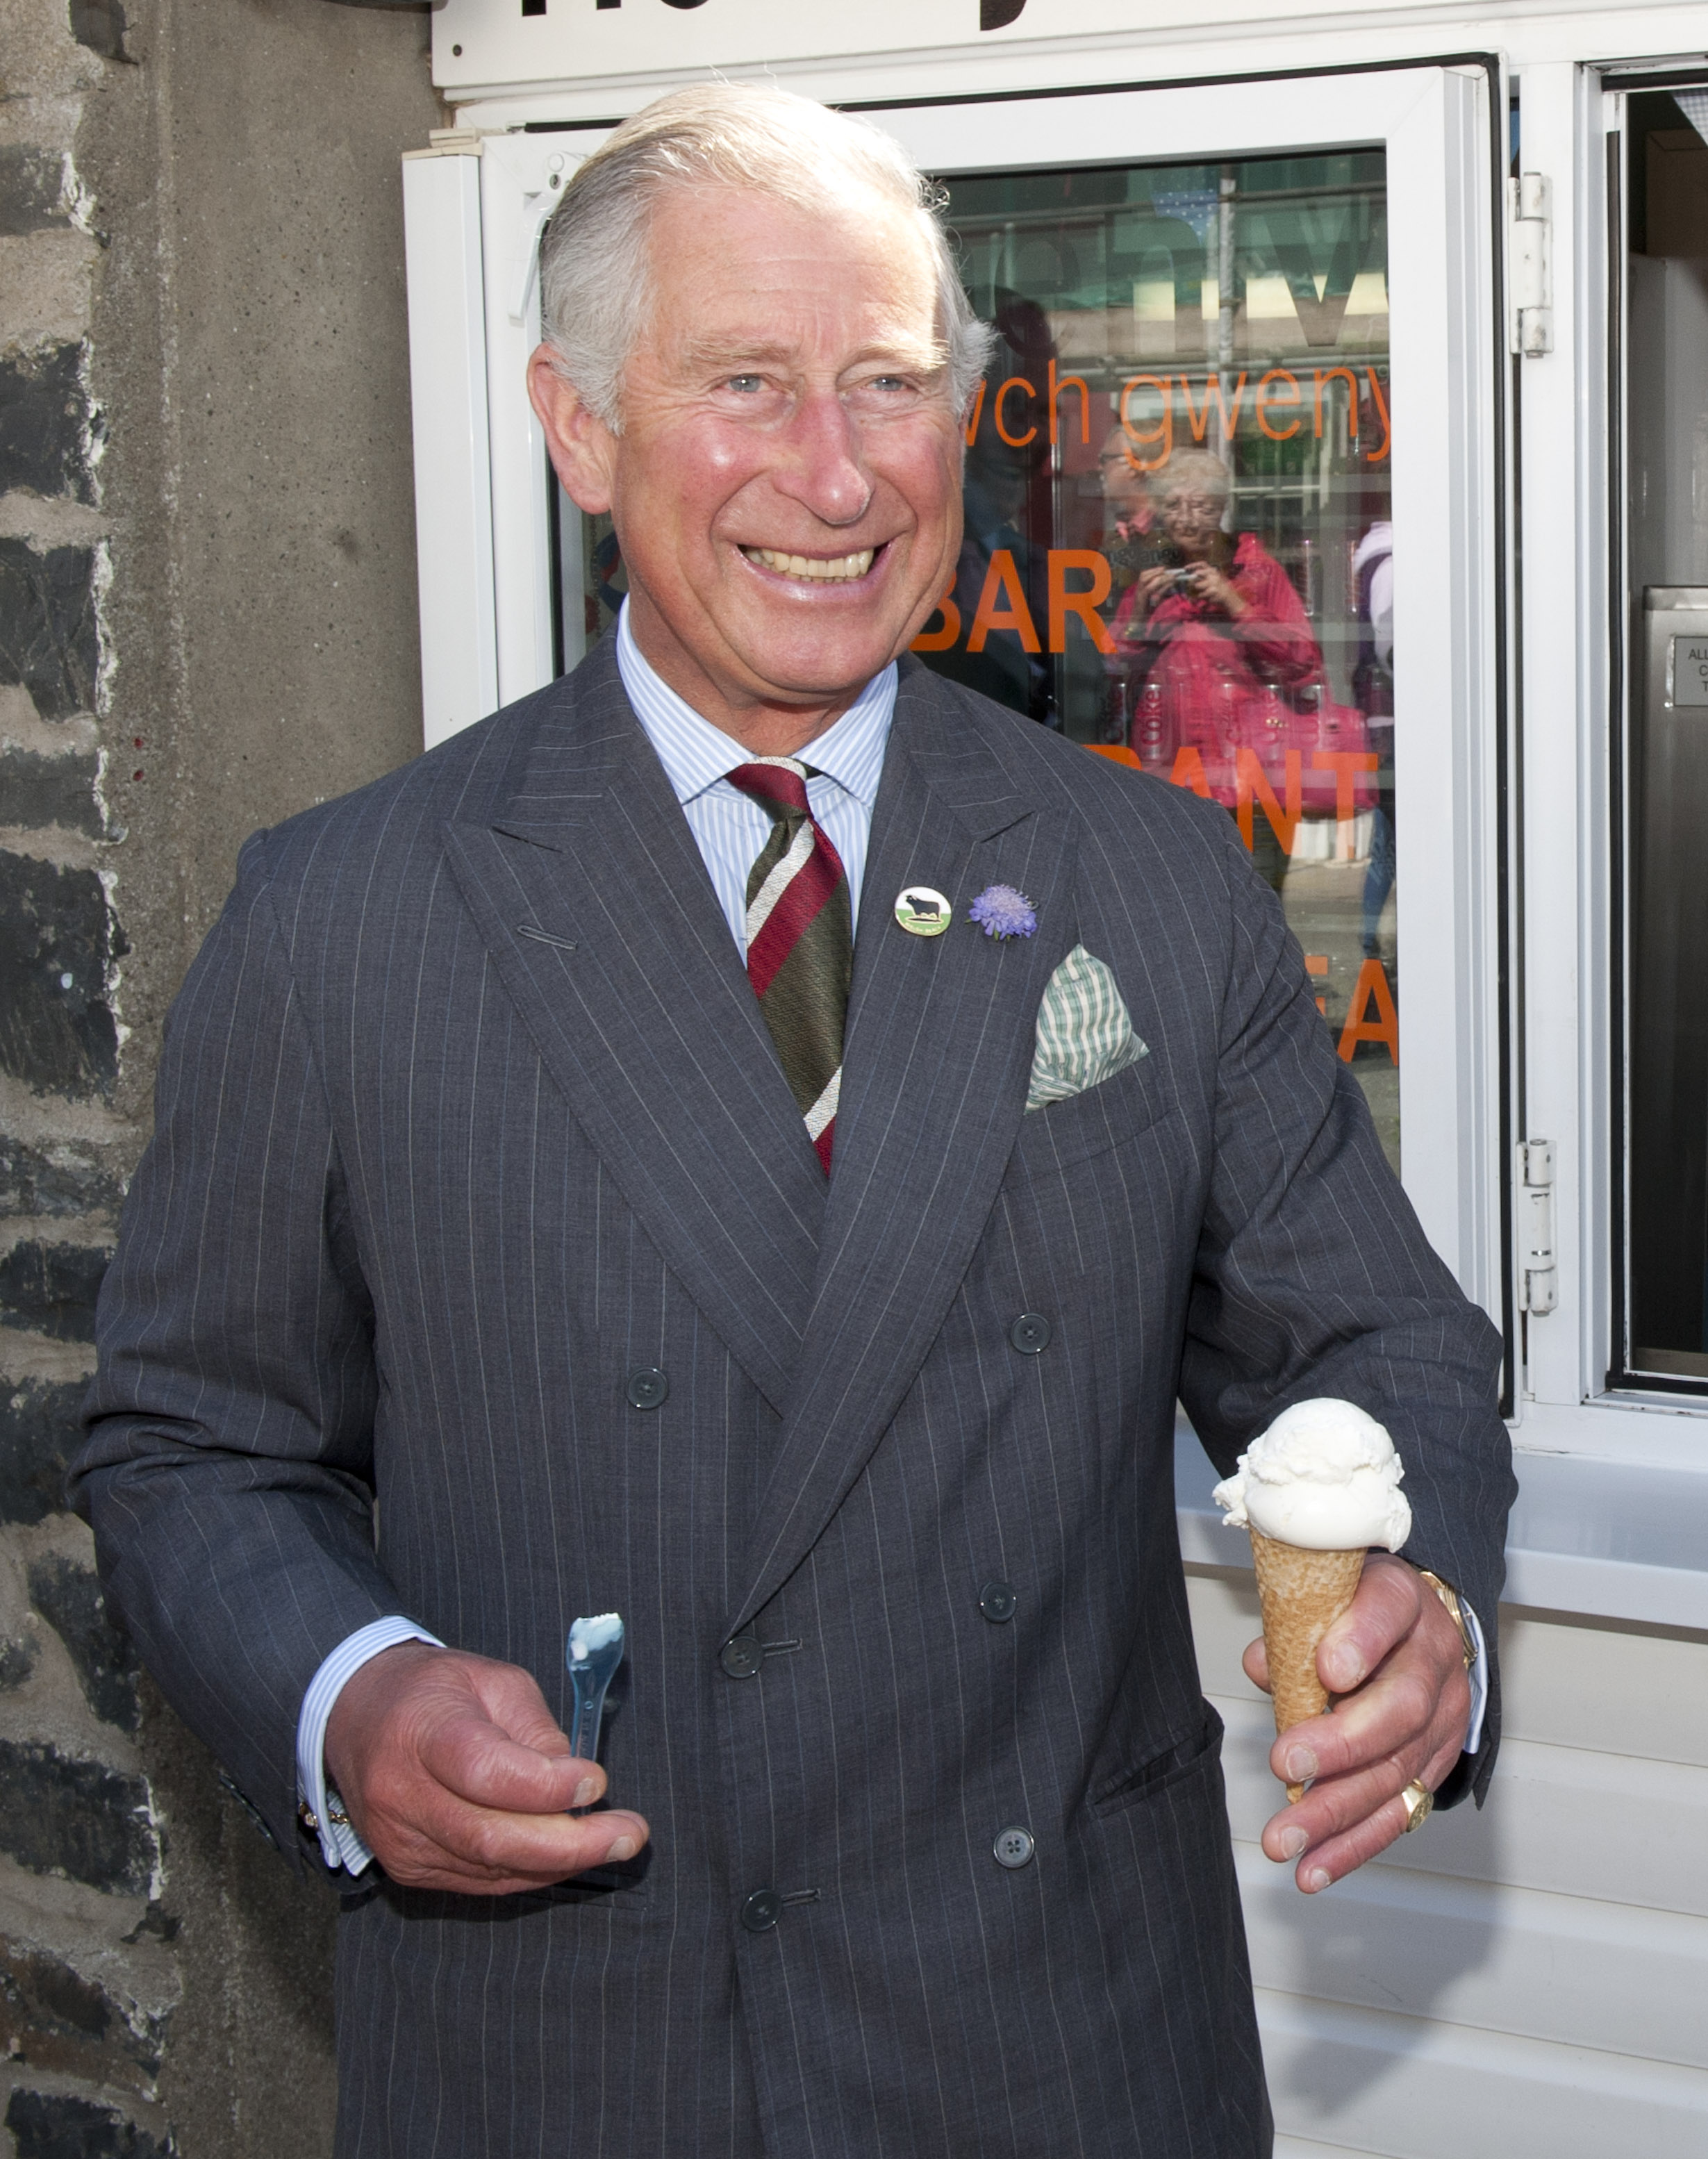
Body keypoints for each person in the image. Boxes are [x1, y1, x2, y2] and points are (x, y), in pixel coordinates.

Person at [74, 85, 1513, 2159]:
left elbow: (1376, 1341)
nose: (834, 476)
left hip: (1069, 2049)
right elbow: (188, 1435)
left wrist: (1425, 1608)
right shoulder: (349, 913)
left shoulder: (1144, 878)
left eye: (889, 386)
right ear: (578, 428)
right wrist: (346, 1691)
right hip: (583, 2049)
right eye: (745, 384)